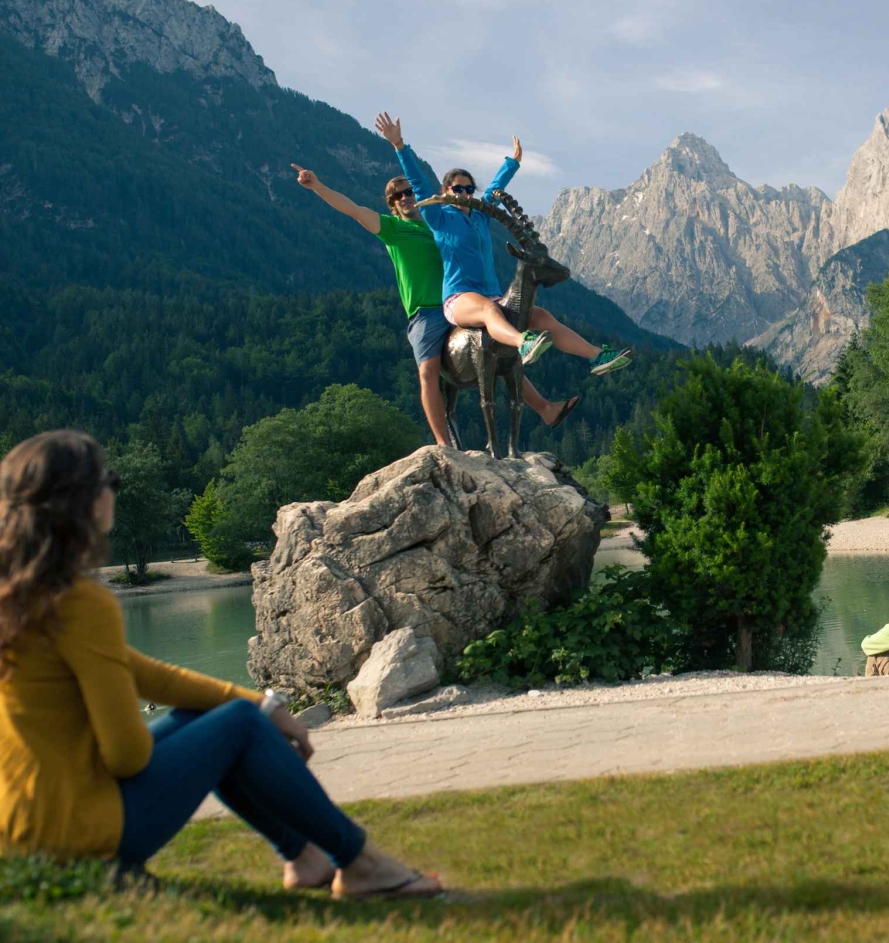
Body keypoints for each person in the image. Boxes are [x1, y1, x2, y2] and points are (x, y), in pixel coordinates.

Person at [0, 431, 443, 897]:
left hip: (24, 835)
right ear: (84, 502)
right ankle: (360, 864)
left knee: (227, 716)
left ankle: (305, 859)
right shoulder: (80, 602)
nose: (113, 489)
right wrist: (247, 720)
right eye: (108, 479)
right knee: (239, 727)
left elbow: (145, 675)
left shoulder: (21, 600)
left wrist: (263, 703)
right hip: (76, 836)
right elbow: (125, 756)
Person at [290, 164, 582, 444]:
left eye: (409, 192)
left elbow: (487, 196)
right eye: (397, 196)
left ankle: (546, 409)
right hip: (426, 314)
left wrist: (511, 165)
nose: (405, 198)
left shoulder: (441, 221)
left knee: (502, 356)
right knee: (428, 373)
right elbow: (352, 209)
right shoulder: (391, 228)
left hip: (462, 302)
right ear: (392, 204)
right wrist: (317, 186)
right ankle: (443, 444)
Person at [373, 112, 633, 378]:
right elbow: (418, 182)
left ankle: (596, 356)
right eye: (457, 189)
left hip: (490, 294)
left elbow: (493, 192)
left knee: (539, 315)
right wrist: (399, 146)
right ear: (446, 190)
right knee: (490, 310)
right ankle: (523, 344)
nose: (464, 193)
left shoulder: (480, 217)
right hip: (458, 298)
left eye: (468, 189)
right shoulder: (438, 217)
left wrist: (512, 163)